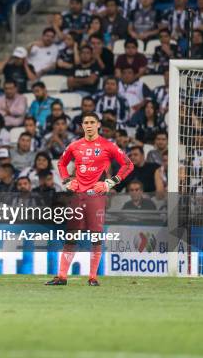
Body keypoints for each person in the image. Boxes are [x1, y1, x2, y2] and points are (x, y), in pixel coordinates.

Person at [47, 112, 133, 286]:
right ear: (82, 125)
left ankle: (93, 277)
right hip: (78, 196)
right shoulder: (75, 146)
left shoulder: (108, 146)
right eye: (86, 122)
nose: (89, 125)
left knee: (96, 237)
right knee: (71, 236)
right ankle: (62, 276)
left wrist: (110, 183)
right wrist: (66, 181)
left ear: (98, 124)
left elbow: (128, 164)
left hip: (96, 196)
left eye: (92, 122)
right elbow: (61, 164)